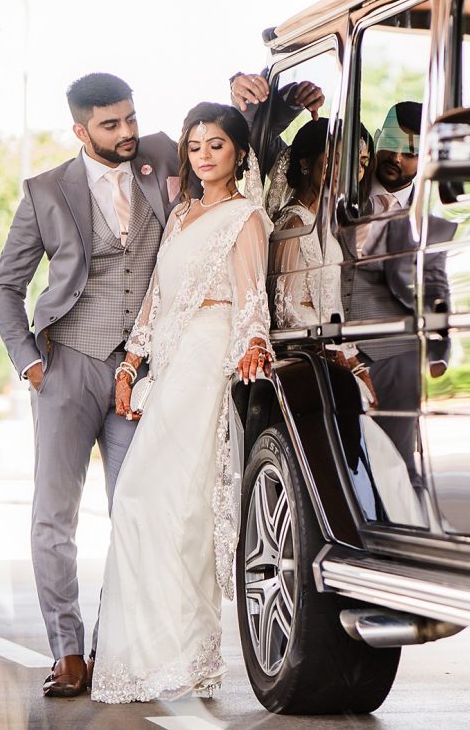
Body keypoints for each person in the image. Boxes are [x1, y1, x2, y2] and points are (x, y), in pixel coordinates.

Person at [0, 73, 181, 698]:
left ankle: (110, 648)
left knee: (134, 514)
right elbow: (5, 286)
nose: (127, 133)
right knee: (54, 518)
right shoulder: (46, 191)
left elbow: (231, 143)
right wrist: (30, 363)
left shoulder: (164, 156)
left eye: (130, 118)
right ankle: (67, 652)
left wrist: (269, 100)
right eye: (110, 125)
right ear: (81, 130)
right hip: (67, 364)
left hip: (142, 370)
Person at [89, 102, 274, 703]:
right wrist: (130, 363)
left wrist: (252, 344)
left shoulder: (245, 216)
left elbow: (252, 295)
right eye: (195, 146)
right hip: (169, 360)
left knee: (179, 507)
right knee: (140, 502)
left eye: (215, 145)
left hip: (210, 354)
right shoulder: (180, 215)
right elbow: (154, 299)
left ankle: (185, 660)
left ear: (238, 152)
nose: (203, 155)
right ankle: (149, 657)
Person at [338, 101, 455, 492]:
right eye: (391, 143)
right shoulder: (342, 179)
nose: (396, 158)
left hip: (394, 355)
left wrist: (439, 351)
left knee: (397, 467)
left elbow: (436, 285)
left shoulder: (433, 224)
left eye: (410, 153)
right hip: (329, 351)